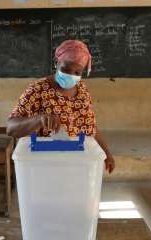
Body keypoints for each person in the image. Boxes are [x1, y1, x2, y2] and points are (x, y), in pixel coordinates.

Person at [7, 40, 115, 174]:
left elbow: (90, 125)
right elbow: (10, 128)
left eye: (77, 72)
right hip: (44, 164)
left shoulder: (82, 90)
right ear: (56, 62)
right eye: (66, 69)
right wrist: (39, 120)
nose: (71, 75)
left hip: (75, 162)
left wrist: (106, 154)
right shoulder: (38, 89)